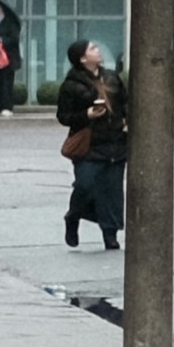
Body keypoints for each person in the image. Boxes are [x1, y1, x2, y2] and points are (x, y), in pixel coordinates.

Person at [58, 39, 130, 248]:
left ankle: (110, 235)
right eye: (92, 49)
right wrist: (86, 114)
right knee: (85, 185)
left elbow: (125, 102)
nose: (97, 50)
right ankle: (73, 216)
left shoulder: (111, 77)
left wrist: (127, 122)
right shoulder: (71, 85)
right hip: (89, 144)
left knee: (113, 191)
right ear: (82, 58)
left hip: (116, 142)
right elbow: (63, 116)